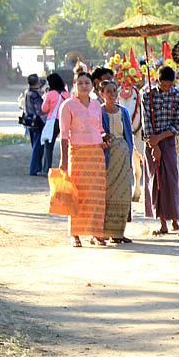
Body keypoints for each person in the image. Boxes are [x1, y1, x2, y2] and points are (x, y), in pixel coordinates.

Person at [58, 72, 108, 248]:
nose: (84, 86)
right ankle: (75, 234)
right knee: (77, 193)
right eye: (80, 83)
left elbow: (99, 128)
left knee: (96, 194)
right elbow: (64, 135)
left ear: (92, 85)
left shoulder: (96, 105)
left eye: (87, 82)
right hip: (78, 153)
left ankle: (96, 233)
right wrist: (64, 160)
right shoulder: (67, 105)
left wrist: (104, 136)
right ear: (74, 85)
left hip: (96, 153)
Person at [142, 65, 179, 236]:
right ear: (158, 81)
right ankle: (162, 222)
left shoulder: (178, 96)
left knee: (171, 180)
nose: (167, 89)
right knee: (156, 181)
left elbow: (178, 124)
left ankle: (175, 221)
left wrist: (159, 140)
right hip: (150, 141)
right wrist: (153, 145)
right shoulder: (147, 96)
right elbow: (146, 122)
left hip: (167, 141)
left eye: (170, 86)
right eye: (164, 85)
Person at [98, 80, 134, 244]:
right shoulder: (98, 112)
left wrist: (130, 155)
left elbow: (128, 135)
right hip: (106, 155)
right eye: (108, 92)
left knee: (123, 192)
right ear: (102, 94)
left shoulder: (124, 112)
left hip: (123, 154)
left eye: (114, 91)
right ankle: (103, 231)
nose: (112, 95)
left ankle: (118, 232)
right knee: (106, 192)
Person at [40, 73, 70, 172]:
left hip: (53, 121)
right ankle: (66, 167)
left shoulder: (50, 94)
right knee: (66, 144)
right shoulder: (66, 94)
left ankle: (47, 168)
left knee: (49, 146)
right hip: (65, 121)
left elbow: (44, 109)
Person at [24, 74, 47, 175]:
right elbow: (39, 110)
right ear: (37, 82)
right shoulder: (35, 95)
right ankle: (34, 169)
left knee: (35, 145)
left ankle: (36, 168)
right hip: (37, 123)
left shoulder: (27, 92)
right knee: (38, 148)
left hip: (29, 122)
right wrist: (46, 122)